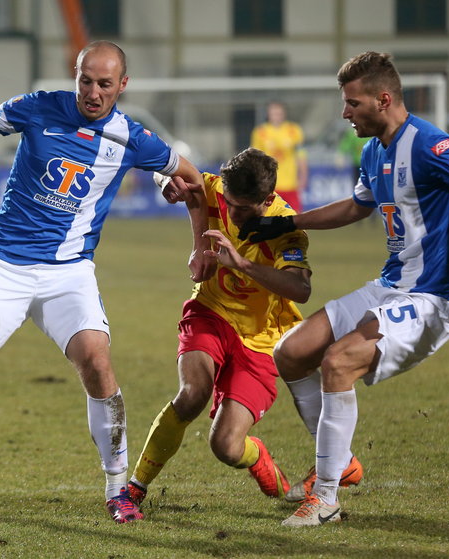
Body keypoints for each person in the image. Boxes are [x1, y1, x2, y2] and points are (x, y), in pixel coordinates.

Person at [0, 40, 211, 524]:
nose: (93, 93)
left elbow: (193, 182)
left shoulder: (132, 137)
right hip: (6, 263)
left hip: (69, 273)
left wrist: (198, 241)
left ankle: (118, 489)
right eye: (86, 80)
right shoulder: (39, 107)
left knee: (98, 364)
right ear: (74, 75)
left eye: (105, 84)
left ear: (123, 85)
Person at [237, 51, 449, 527]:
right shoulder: (374, 151)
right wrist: (284, 222)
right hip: (391, 285)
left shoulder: (431, 146)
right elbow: (355, 207)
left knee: (337, 361)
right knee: (290, 351)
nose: (345, 113)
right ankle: (341, 462)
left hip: (434, 297)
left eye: (352, 103)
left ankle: (324, 498)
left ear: (383, 99)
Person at [125, 147, 313, 513]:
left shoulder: (285, 226)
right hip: (210, 312)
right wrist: (169, 184)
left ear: (268, 198)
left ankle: (258, 457)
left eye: (244, 209)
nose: (234, 213)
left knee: (225, 446)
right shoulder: (216, 189)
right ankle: (135, 487)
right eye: (229, 203)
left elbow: (300, 290)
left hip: (260, 339)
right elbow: (168, 168)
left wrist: (241, 263)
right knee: (193, 392)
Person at [251, 101, 308, 213]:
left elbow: (301, 155)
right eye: (274, 113)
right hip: (269, 186)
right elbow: (255, 159)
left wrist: (304, 175)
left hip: (290, 184)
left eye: (279, 113)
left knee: (295, 219)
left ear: (284, 113)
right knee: (269, 219)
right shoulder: (260, 132)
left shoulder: (294, 130)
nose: (276, 116)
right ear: (268, 114)